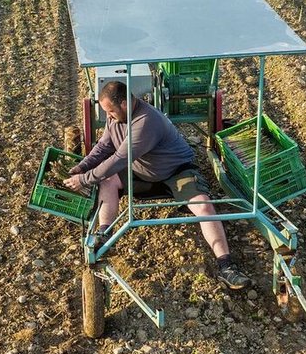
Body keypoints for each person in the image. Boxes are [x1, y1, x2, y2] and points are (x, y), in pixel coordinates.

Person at [65, 80, 250, 290]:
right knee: (108, 180)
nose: (108, 116)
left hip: (175, 171)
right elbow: (104, 147)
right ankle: (104, 234)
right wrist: (81, 167)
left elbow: (118, 159)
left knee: (204, 205)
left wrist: (85, 179)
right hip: (141, 172)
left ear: (124, 103)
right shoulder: (116, 119)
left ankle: (226, 266)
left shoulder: (146, 121)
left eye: (110, 111)